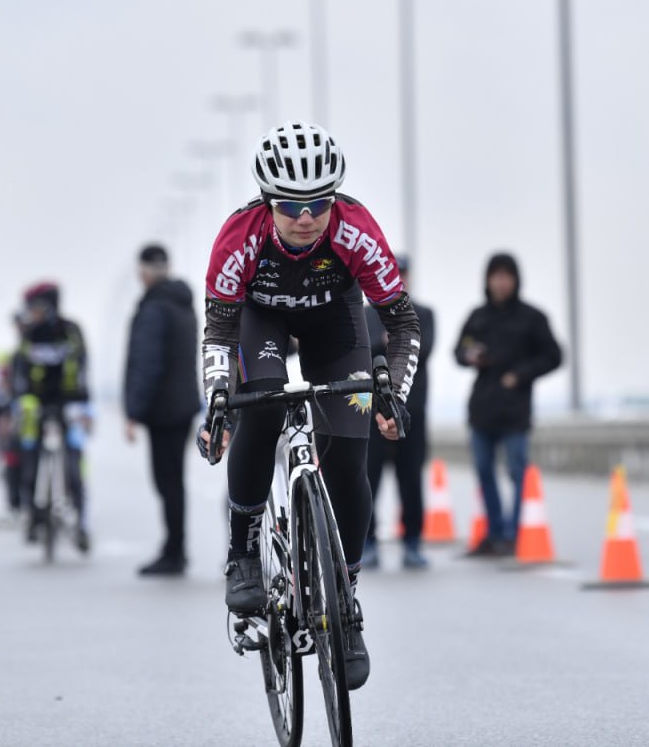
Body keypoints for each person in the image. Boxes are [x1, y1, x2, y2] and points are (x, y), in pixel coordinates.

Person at [197, 123, 420, 690]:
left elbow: (401, 321)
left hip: (333, 323)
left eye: (319, 203)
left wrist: (393, 389)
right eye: (292, 205)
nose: (306, 217)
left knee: (349, 455)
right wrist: (219, 400)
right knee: (265, 406)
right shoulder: (239, 236)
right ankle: (243, 552)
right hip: (260, 320)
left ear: (334, 198)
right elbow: (219, 332)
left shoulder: (355, 229)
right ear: (269, 202)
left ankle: (343, 600)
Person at [454, 253, 562, 557]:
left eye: (506, 276)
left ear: (515, 280)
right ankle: (495, 533)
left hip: (515, 409)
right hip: (482, 409)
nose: (501, 282)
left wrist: (521, 374)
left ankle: (515, 534)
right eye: (495, 276)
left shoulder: (532, 318)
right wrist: (469, 356)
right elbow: (458, 351)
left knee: (517, 472)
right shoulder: (477, 316)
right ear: (487, 280)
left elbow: (554, 356)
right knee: (484, 472)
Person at [124, 244, 202, 577]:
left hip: (162, 409)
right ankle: (175, 547)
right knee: (175, 481)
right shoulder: (184, 304)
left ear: (144, 272)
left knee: (167, 482)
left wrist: (134, 412)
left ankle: (174, 551)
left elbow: (147, 363)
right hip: (183, 405)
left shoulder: (154, 308)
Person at [361, 254, 435, 570]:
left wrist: (390, 344)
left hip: (411, 410)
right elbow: (362, 351)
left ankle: (413, 543)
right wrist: (390, 341)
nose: (399, 278)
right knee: (367, 480)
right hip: (371, 411)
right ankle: (367, 543)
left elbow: (424, 347)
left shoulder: (424, 313)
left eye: (402, 273)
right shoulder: (365, 314)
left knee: (411, 480)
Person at [12, 282, 92, 552]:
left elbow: (82, 366)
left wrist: (82, 406)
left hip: (70, 402)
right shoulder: (29, 335)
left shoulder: (71, 331)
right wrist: (22, 397)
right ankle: (34, 516)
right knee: (30, 458)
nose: (30, 314)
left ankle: (81, 523)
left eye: (34, 309)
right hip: (37, 403)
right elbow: (19, 370)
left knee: (74, 462)